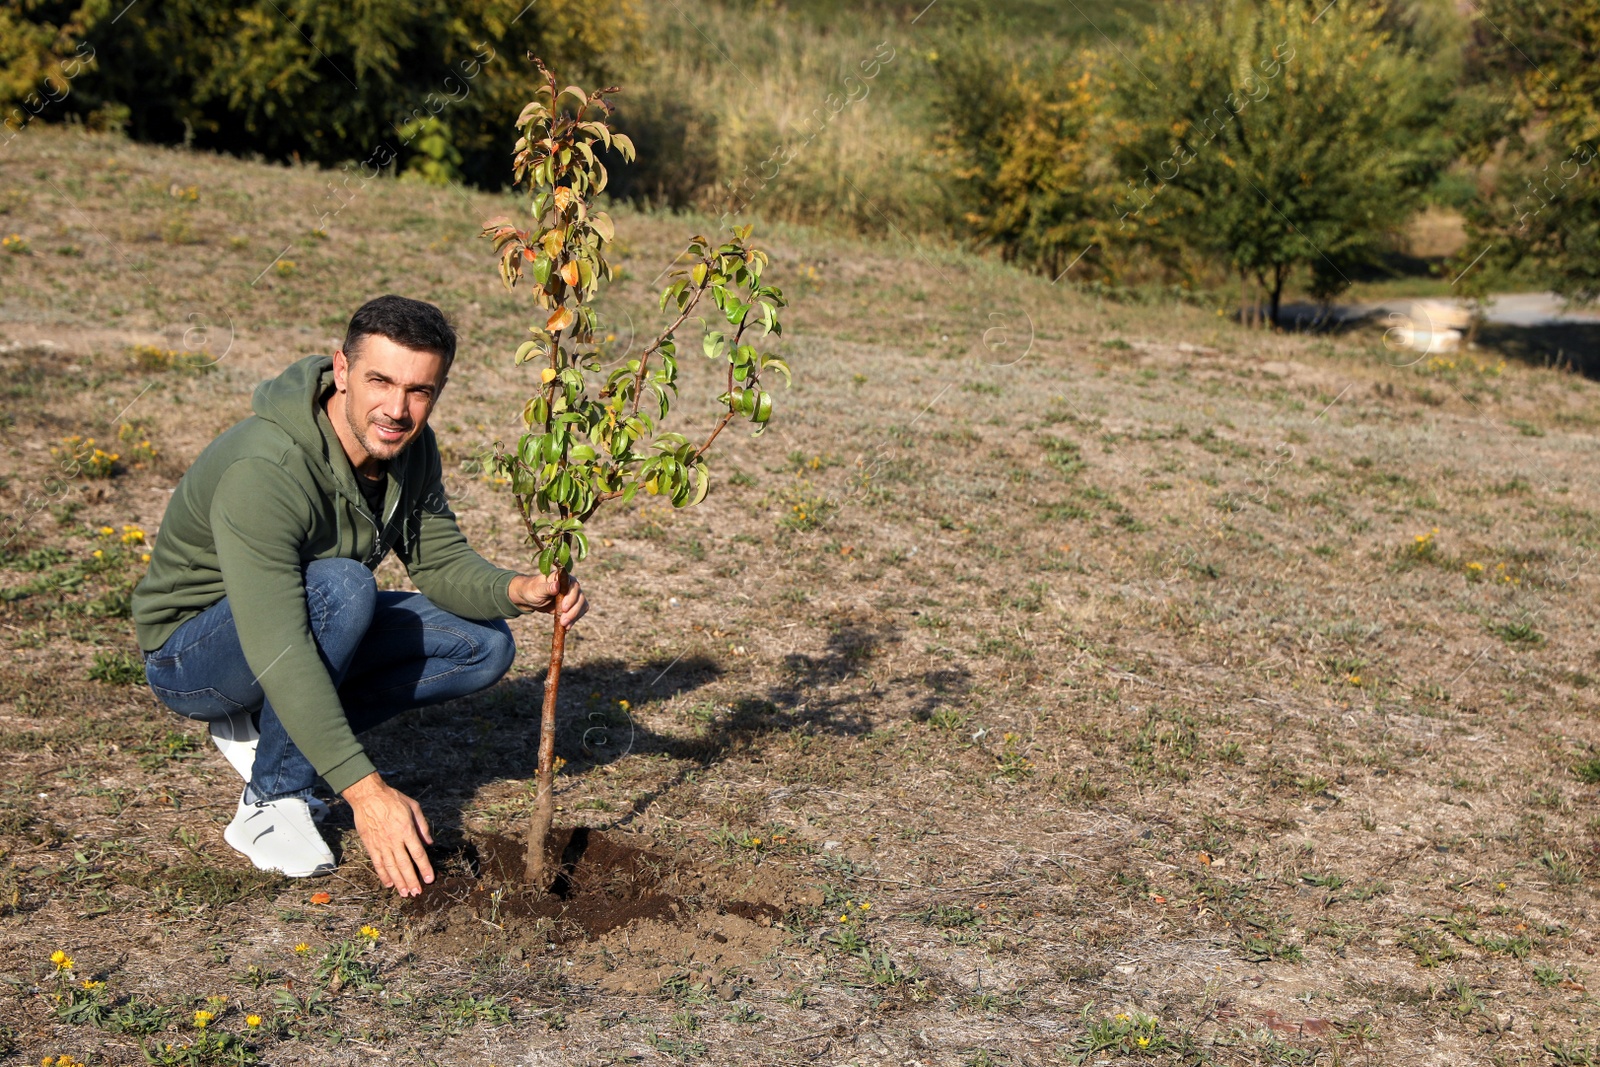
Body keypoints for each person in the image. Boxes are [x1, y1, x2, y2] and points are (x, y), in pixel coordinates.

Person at [131, 295, 586, 897]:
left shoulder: (408, 448)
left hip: (295, 620)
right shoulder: (266, 468)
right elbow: (277, 643)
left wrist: (519, 589)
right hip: (193, 656)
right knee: (343, 586)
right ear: (341, 372)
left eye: (420, 390)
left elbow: (440, 561)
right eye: (380, 380)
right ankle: (271, 800)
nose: (397, 409)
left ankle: (272, 732)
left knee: (482, 645)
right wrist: (364, 791)